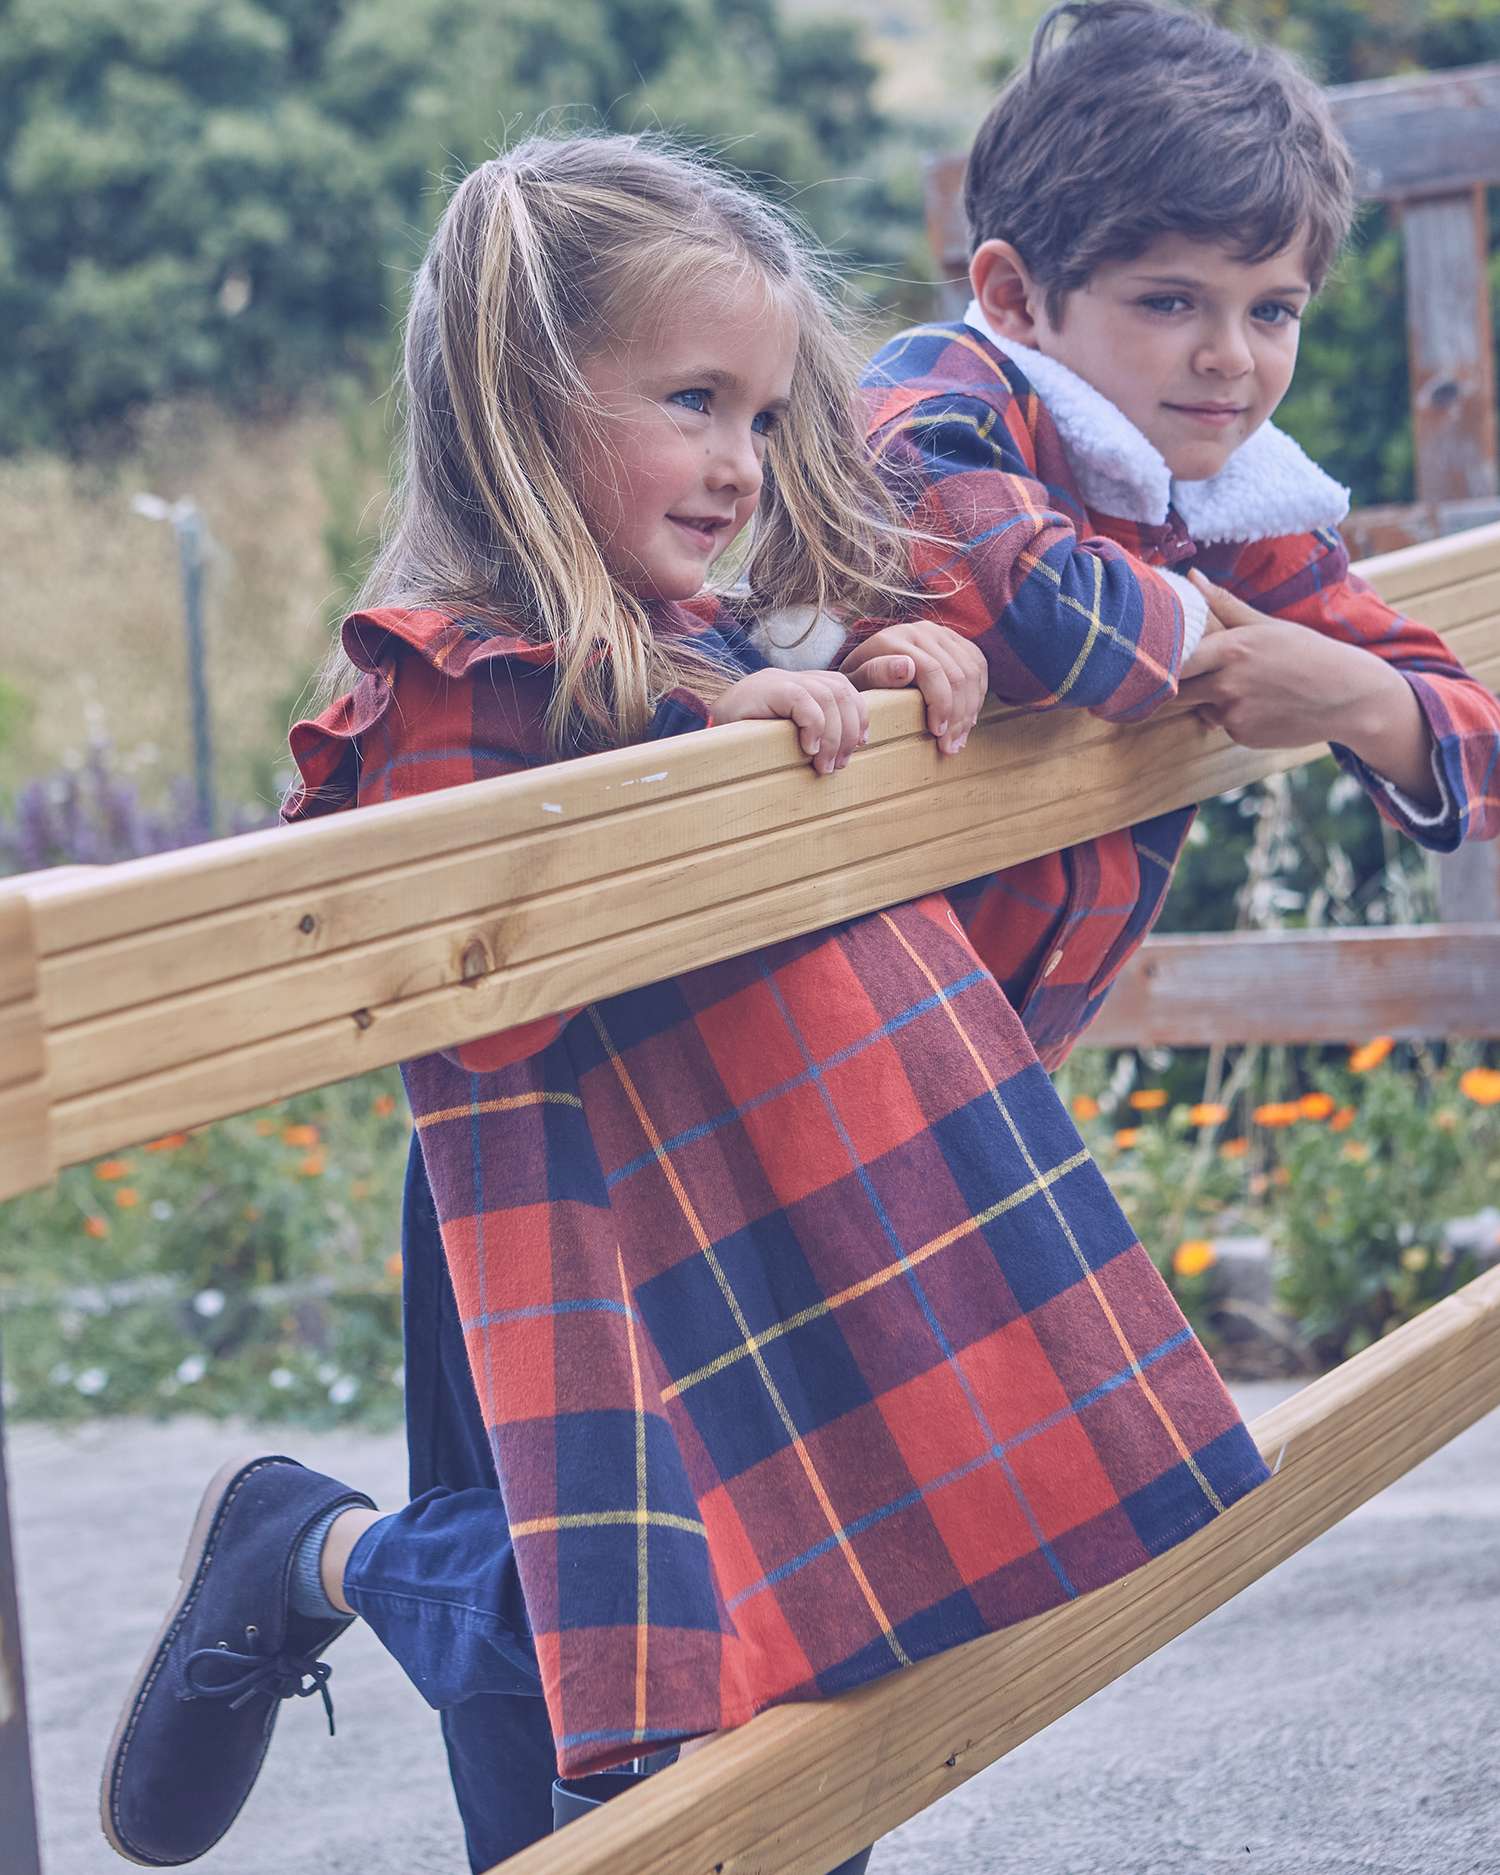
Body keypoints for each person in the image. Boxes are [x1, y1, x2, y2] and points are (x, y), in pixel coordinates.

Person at [102, 132, 1269, 1872]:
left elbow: (767, 819)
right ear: (524, 399)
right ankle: (314, 1552)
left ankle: (318, 1553)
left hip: (751, 1215)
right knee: (617, 1680)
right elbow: (449, 964)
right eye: (695, 402)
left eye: (770, 415)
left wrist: (853, 694)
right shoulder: (443, 675)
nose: (745, 463)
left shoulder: (710, 645)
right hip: (558, 1230)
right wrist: (671, 765)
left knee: (847, 1633)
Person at [850, 0, 1500, 1079]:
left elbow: (1476, 735)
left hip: (992, 1064)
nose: (1231, 358)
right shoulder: (935, 398)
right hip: (776, 1028)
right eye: (1170, 301)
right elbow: (1047, 619)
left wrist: (1358, 698)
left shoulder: (1221, 499)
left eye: (1273, 311)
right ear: (1011, 295)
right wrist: (1209, 629)